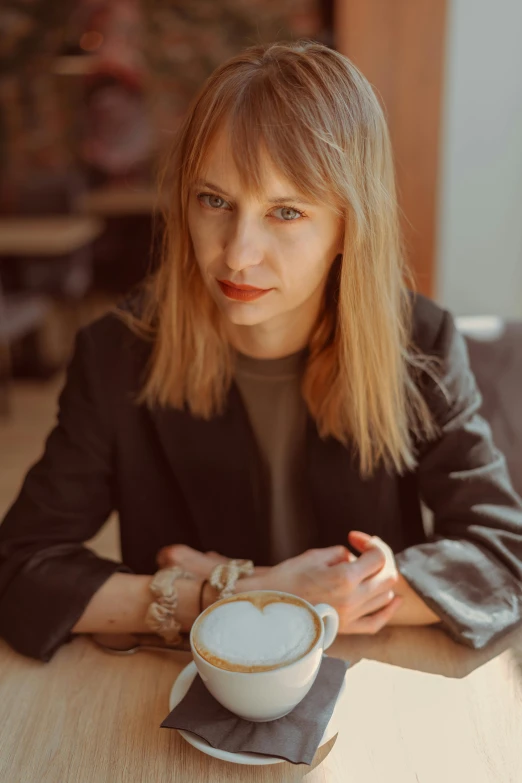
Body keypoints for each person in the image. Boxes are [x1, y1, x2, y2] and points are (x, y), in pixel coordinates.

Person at [1, 40, 522, 663]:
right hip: (186, 689)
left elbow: (503, 555)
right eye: (214, 200)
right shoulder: (116, 353)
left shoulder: (422, 344)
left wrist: (274, 595)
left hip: (368, 686)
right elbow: (19, 572)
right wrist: (232, 595)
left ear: (347, 228)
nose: (237, 253)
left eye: (285, 211)